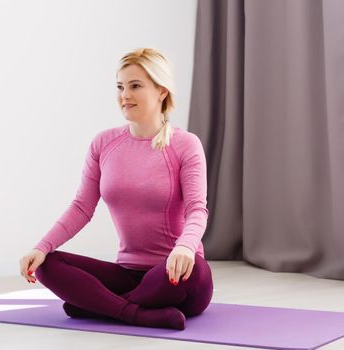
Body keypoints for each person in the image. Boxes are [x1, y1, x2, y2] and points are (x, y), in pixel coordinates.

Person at [18, 48, 213, 330]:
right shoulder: (103, 144)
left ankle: (99, 305)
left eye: (135, 86)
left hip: (173, 272)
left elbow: (198, 209)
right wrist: (41, 247)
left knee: (195, 269)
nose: (125, 95)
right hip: (127, 273)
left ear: (161, 91)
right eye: (120, 86)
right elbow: (82, 207)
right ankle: (136, 313)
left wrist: (184, 247)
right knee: (47, 263)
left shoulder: (186, 144)